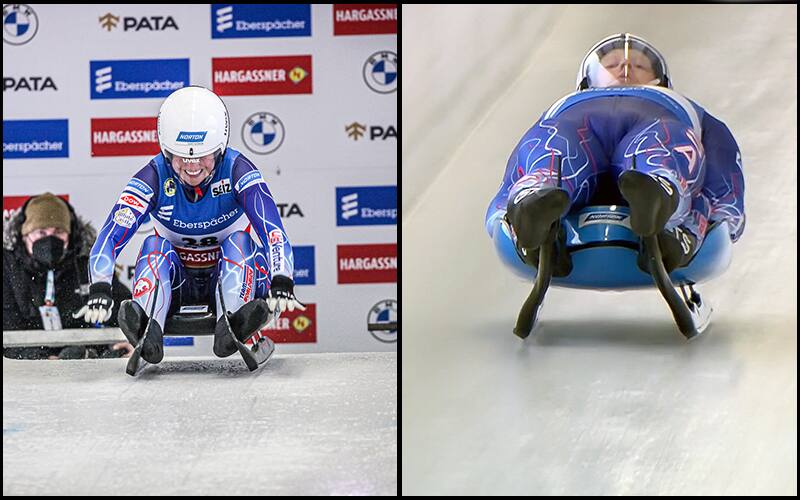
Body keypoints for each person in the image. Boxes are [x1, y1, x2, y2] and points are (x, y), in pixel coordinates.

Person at [74, 85, 303, 365]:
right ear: (167, 152)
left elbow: (272, 230)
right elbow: (111, 234)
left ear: (219, 150)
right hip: (178, 283)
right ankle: (149, 331)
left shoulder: (239, 170)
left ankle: (231, 325)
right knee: (153, 246)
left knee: (239, 243)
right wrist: (100, 287)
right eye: (182, 157)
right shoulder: (153, 176)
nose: (192, 166)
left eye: (203, 156)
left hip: (232, 277)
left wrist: (282, 279)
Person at [485, 33, 745, 275]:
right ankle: (537, 202)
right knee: (554, 141)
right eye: (611, 65)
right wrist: (502, 214)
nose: (625, 69)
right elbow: (524, 155)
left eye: (640, 66)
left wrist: (719, 218)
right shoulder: (561, 108)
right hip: (577, 125)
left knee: (663, 138)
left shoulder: (687, 109)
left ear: (661, 81)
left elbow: (722, 161)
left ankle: (660, 195)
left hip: (654, 120)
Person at [3, 193, 133, 360]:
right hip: (27, 369)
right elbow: (8, 327)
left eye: (58, 231)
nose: (50, 239)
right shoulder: (8, 268)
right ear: (24, 234)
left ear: (70, 234)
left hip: (86, 363)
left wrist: (126, 336)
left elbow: (125, 306)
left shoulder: (88, 263)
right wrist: (43, 358)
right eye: (41, 232)